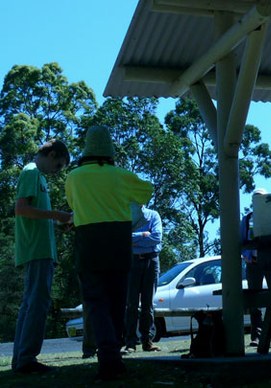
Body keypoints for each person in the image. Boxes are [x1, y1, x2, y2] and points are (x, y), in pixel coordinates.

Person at [65, 126, 154, 380]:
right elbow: (147, 191)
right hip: (118, 241)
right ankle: (114, 354)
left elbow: (72, 204)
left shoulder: (74, 177)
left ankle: (107, 357)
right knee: (117, 300)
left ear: (86, 150)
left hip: (89, 241)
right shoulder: (120, 175)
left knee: (95, 301)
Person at [12, 139, 72, 374]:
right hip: (36, 250)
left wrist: (59, 222)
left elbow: (34, 214)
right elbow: (21, 209)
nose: (56, 171)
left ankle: (21, 359)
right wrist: (57, 214)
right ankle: (27, 359)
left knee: (30, 304)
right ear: (52, 154)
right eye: (58, 166)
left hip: (40, 249)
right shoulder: (31, 172)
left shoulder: (38, 177)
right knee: (36, 304)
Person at [241, 189, 271, 348]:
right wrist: (247, 256)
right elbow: (242, 240)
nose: (258, 201)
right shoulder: (247, 219)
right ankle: (256, 336)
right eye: (255, 198)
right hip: (253, 263)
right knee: (255, 299)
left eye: (261, 198)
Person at [123, 203, 163, 353]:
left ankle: (147, 341)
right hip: (132, 261)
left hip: (151, 261)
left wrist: (135, 238)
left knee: (148, 304)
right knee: (131, 304)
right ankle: (130, 343)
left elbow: (156, 237)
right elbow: (123, 238)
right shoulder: (126, 216)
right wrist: (143, 235)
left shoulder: (153, 215)